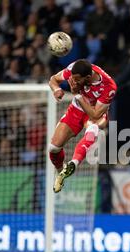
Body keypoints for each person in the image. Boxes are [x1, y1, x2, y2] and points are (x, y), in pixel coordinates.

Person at [48, 59, 117, 193]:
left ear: (88, 77)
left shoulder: (109, 86)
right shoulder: (74, 68)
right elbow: (53, 79)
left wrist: (78, 95)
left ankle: (74, 163)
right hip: (77, 109)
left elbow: (96, 114)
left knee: (93, 128)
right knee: (54, 148)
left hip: (95, 111)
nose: (74, 82)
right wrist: (56, 90)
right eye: (73, 78)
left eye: (78, 80)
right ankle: (61, 172)